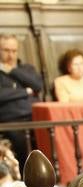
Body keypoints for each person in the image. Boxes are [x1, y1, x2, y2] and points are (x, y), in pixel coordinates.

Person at [0, 33, 43, 164]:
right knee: (23, 148)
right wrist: (25, 91)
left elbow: (38, 85)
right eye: (6, 50)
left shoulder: (27, 69)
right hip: (11, 121)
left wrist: (12, 71)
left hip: (35, 118)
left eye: (14, 51)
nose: (11, 55)